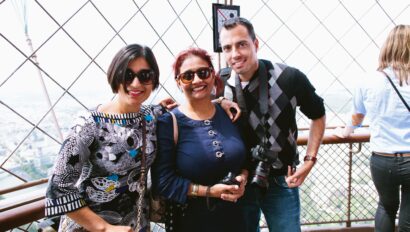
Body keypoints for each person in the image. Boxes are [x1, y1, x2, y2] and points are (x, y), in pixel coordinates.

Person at [218, 17, 326, 232]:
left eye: (242, 44)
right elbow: (195, 110)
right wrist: (218, 100)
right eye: (227, 48)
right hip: (239, 181)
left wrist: (310, 159)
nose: (235, 54)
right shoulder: (221, 83)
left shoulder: (288, 78)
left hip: (280, 178)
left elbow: (318, 114)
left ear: (256, 44)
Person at [45, 44, 165, 232]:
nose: (135, 84)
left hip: (134, 223)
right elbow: (58, 187)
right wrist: (104, 228)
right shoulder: (88, 124)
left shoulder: (151, 116)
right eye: (128, 75)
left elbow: (190, 109)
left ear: (154, 79)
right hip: (91, 227)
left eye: (145, 76)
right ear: (115, 75)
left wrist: (221, 102)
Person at [152, 47, 248, 232]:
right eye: (188, 76)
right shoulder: (169, 122)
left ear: (213, 75)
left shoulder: (229, 113)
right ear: (179, 82)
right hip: (191, 222)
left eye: (203, 73)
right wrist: (210, 192)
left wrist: (242, 178)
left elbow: (246, 159)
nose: (197, 80)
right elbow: (163, 182)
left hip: (235, 220)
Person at [335, 25, 410, 232]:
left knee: (386, 207)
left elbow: (357, 116)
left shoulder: (368, 80)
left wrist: (346, 131)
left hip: (383, 157)